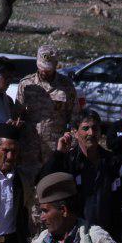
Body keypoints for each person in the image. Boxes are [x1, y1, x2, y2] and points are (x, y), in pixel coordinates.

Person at [42, 109, 122, 243]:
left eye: (95, 128)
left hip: (108, 236)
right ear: (75, 132)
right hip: (76, 237)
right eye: (85, 128)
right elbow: (44, 182)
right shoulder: (68, 162)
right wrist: (59, 154)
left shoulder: (112, 162)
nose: (91, 133)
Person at [16, 45, 78, 184]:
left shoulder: (66, 86)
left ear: (56, 65)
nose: (44, 71)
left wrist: (70, 143)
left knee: (52, 188)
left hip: (55, 150)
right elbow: (17, 116)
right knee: (28, 187)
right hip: (29, 149)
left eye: (48, 68)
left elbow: (75, 118)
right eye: (41, 66)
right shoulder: (26, 84)